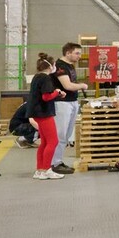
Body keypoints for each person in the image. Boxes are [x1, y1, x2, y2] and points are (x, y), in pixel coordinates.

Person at [25, 52, 65, 181]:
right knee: (53, 141)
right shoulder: (46, 78)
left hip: (36, 112)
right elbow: (46, 96)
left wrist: (55, 94)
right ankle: (47, 169)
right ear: (50, 66)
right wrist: (57, 92)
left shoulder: (37, 77)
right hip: (44, 113)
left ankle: (40, 170)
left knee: (45, 142)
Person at [52, 43, 85, 160]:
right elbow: (68, 85)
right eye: (77, 53)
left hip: (72, 101)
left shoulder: (70, 66)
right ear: (67, 53)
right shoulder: (60, 66)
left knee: (67, 134)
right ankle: (54, 162)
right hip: (62, 103)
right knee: (60, 134)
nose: (79, 56)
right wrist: (82, 85)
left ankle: (58, 160)